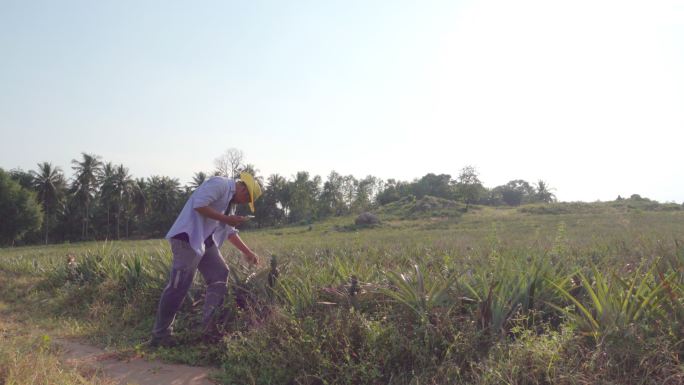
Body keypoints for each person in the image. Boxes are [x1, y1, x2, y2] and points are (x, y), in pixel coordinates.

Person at [149, 172, 262, 347]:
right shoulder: (220, 184)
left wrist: (248, 252)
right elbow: (199, 204)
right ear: (244, 190)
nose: (244, 203)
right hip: (187, 237)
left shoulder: (230, 204)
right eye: (246, 199)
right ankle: (160, 335)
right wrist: (226, 218)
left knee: (219, 273)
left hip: (204, 240)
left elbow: (229, 231)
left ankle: (208, 329)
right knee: (179, 286)